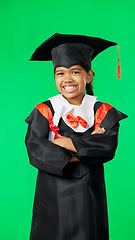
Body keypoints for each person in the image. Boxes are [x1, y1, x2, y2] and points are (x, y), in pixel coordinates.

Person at [24, 33, 128, 240]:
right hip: (51, 192)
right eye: (60, 73)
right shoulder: (45, 110)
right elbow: (35, 147)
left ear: (88, 75)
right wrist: (82, 148)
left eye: (75, 72)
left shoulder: (102, 111)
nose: (67, 79)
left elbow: (107, 146)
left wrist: (64, 142)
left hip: (88, 193)